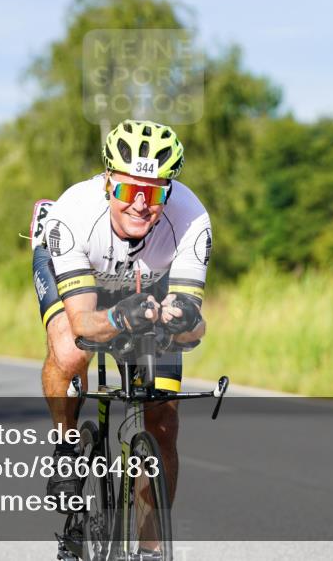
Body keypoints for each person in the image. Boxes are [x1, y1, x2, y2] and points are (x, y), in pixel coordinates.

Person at [33, 119, 212, 510]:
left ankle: (150, 550)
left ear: (170, 191)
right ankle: (66, 448)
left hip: (146, 278)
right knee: (71, 352)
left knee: (163, 425)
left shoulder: (192, 220)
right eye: (128, 189)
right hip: (79, 266)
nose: (140, 203)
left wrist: (182, 320)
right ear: (107, 182)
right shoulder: (74, 214)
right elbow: (82, 325)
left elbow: (194, 327)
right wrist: (119, 318)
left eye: (154, 192)